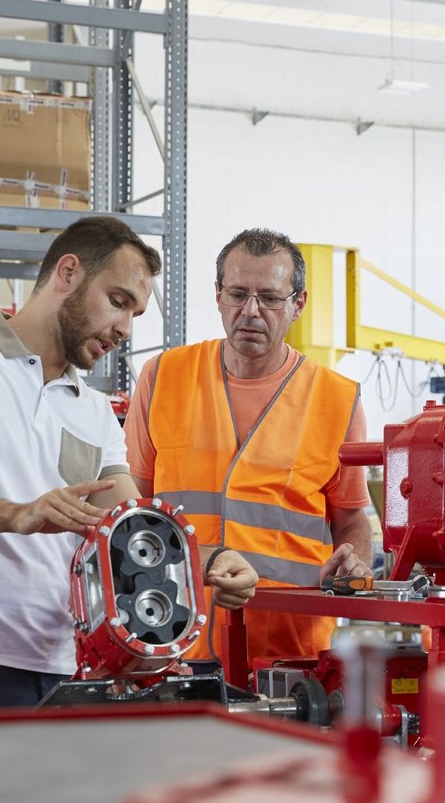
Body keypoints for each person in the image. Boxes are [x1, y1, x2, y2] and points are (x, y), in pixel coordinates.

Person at [0, 216, 258, 711]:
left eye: (135, 313)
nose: (125, 329)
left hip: (65, 671)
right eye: (118, 302)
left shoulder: (92, 410)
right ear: (67, 274)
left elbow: (136, 534)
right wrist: (17, 514)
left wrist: (214, 561)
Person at [126, 228, 373, 663]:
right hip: (171, 634)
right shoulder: (162, 377)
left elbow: (351, 519)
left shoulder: (338, 400)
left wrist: (357, 562)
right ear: (218, 295)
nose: (251, 311)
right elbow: (132, 505)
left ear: (298, 303)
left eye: (270, 298)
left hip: (288, 648)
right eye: (238, 293)